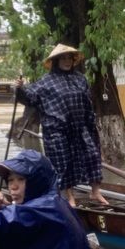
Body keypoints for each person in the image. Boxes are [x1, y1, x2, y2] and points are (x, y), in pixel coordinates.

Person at [15, 43, 107, 207]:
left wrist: (91, 125)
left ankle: (95, 191)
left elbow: (88, 104)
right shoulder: (46, 82)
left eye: (69, 58)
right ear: (56, 61)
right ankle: (70, 196)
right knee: (63, 162)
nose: (67, 61)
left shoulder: (80, 79)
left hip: (81, 127)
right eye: (63, 58)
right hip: (57, 130)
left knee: (92, 156)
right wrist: (20, 89)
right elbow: (29, 97)